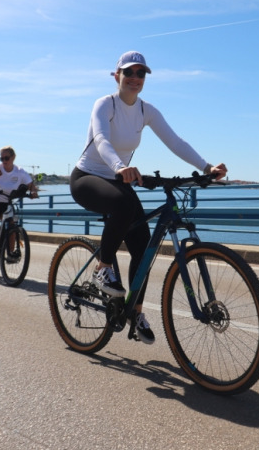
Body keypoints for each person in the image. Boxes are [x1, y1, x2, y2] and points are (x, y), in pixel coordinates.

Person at [69, 51, 227, 344]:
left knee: (143, 249)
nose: (135, 78)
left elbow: (176, 142)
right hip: (88, 178)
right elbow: (102, 139)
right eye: (129, 72)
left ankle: (135, 313)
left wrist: (206, 168)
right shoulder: (106, 104)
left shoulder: (146, 111)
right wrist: (120, 166)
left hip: (119, 180)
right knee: (123, 204)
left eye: (141, 74)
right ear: (116, 76)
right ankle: (103, 269)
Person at [0, 146, 39, 262]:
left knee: (11, 225)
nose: (4, 161)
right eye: (2, 159)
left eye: (6, 158)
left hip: (6, 202)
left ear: (13, 157)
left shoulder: (19, 172)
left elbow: (31, 185)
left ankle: (10, 253)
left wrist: (33, 191)